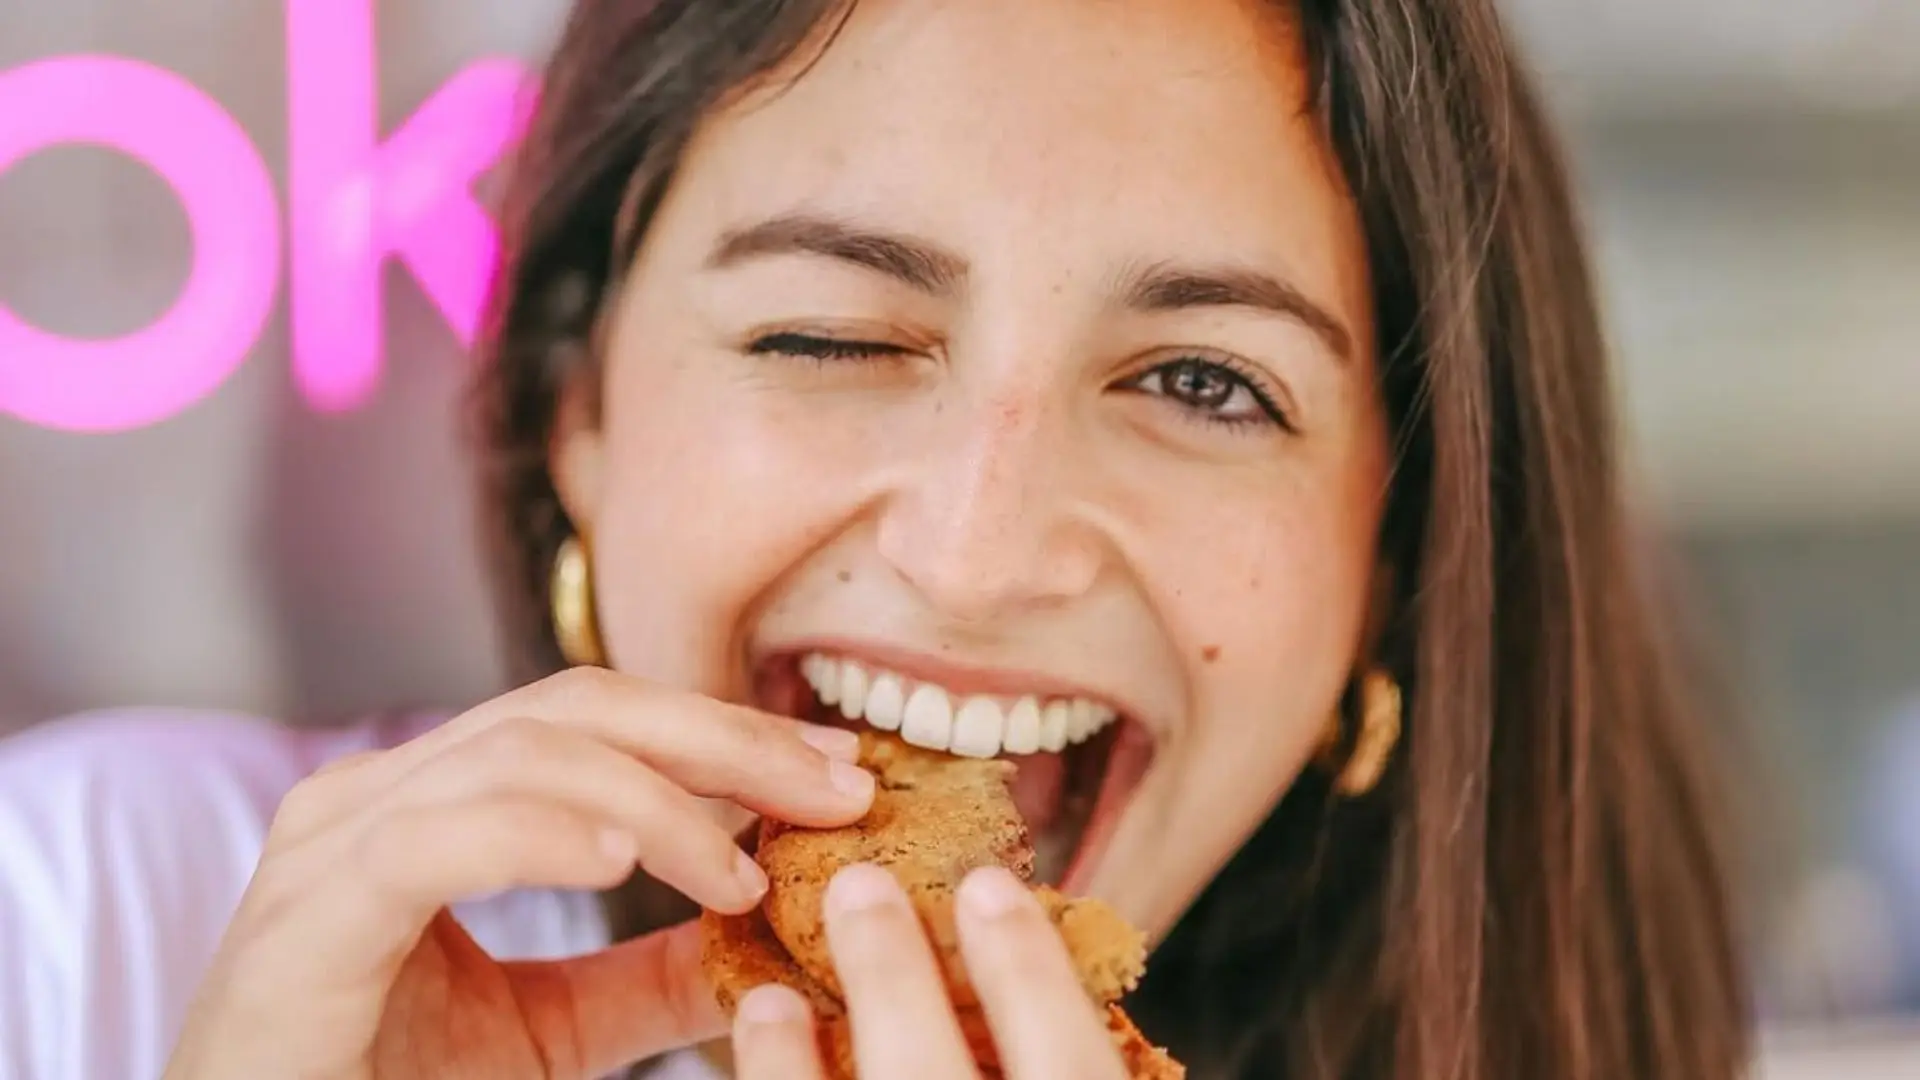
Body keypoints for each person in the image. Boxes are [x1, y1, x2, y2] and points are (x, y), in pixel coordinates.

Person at [0, 0, 1751, 1077]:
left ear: (1396, 565)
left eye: (1207, 382)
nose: (978, 554)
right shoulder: (78, 927)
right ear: (574, 415)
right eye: (829, 335)